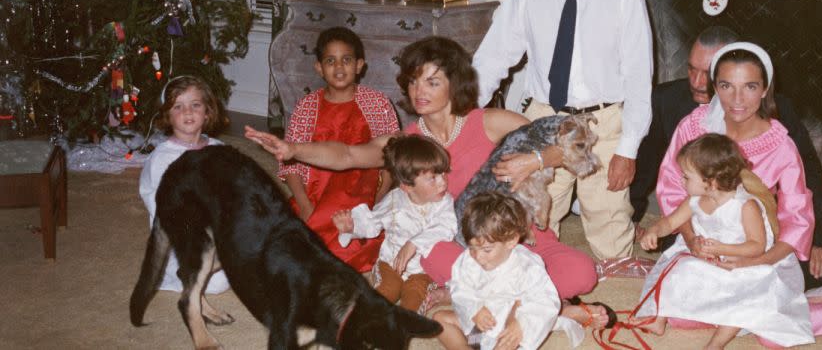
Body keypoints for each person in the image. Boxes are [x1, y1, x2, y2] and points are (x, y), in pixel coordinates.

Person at [245, 36, 611, 327]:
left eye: (433, 81)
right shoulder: (407, 142)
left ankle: (483, 303)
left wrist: (533, 161)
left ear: (456, 85)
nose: (420, 90)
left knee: (583, 273)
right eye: (415, 80)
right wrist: (292, 149)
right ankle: (538, 308)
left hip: (518, 235)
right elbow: (348, 155)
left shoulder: (490, 121)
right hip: (461, 248)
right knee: (430, 254)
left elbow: (566, 144)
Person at [656, 42, 822, 337]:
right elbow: (672, 191)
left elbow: (797, 216)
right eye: (726, 85)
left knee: (769, 321)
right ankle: (816, 296)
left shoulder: (780, 145)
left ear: (764, 89)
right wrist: (693, 241)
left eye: (749, 86)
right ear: (715, 87)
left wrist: (756, 262)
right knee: (684, 315)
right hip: (705, 243)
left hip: (761, 247)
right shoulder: (693, 128)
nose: (736, 99)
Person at [472, 0, 654, 260]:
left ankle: (614, 282)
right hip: (546, 121)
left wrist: (628, 149)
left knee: (609, 226)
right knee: (531, 222)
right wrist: (462, 119)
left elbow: (639, 77)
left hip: (603, 123)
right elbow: (491, 59)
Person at [634, 134, 813, 348]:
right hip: (708, 260)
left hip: (743, 264)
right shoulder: (695, 200)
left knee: (746, 297)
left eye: (687, 177)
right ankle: (659, 319)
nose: (681, 180)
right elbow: (670, 222)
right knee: (676, 270)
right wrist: (654, 230)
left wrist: (722, 248)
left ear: (711, 182)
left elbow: (756, 246)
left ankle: (717, 343)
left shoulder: (745, 206)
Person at [278, 26, 399, 272]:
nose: (339, 67)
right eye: (330, 61)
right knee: (298, 246)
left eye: (347, 60)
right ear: (319, 68)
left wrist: (377, 200)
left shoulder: (377, 104)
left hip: (362, 198)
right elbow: (289, 163)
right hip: (317, 195)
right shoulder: (306, 107)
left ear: (359, 65)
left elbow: (392, 160)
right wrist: (304, 206)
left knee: (358, 247)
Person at [333, 135, 457, 312]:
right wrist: (352, 227)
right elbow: (373, 223)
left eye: (443, 173)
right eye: (433, 178)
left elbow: (446, 228)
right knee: (384, 294)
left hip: (423, 271)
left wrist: (413, 243)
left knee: (413, 303)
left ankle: (399, 331)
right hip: (390, 263)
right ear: (407, 186)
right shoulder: (394, 200)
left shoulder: (444, 203)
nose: (442, 182)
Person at [433, 191, 560, 350]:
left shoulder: (527, 265)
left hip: (505, 330)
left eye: (486, 250)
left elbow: (544, 301)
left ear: (511, 241)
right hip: (479, 323)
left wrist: (521, 324)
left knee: (507, 343)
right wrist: (474, 309)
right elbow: (460, 288)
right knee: (439, 319)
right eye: (472, 248)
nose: (478, 256)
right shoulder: (468, 260)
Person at [139, 76, 230, 295]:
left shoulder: (218, 149)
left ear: (207, 111)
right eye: (178, 107)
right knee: (217, 284)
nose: (187, 112)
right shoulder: (162, 158)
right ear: (167, 116)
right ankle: (173, 276)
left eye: (195, 105)